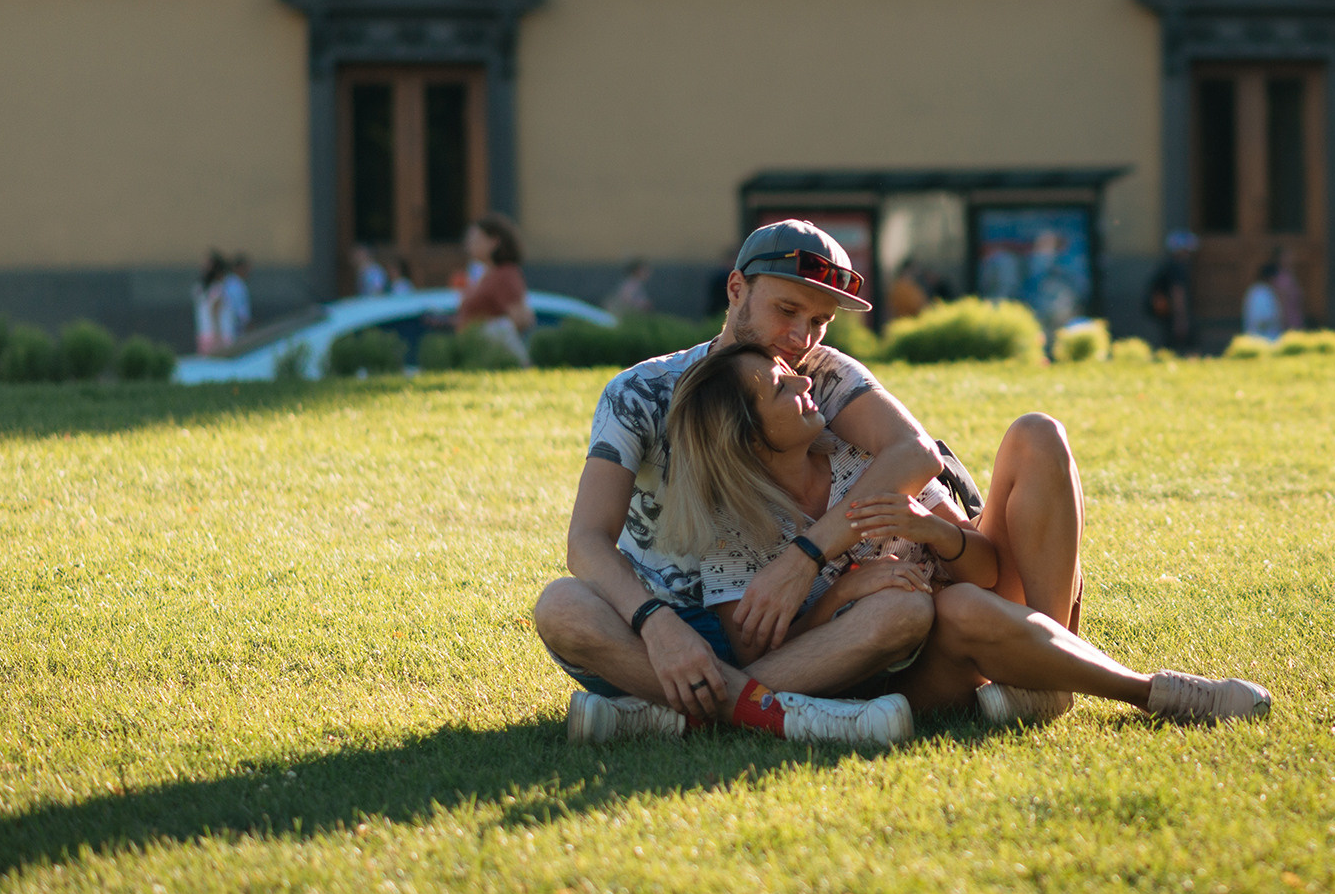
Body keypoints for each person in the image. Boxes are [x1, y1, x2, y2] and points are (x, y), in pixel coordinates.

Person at [530, 219, 1090, 744]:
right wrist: (656, 625)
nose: (801, 337)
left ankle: (674, 715)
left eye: (820, 321)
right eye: (787, 309)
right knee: (562, 605)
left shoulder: (821, 375)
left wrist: (804, 559)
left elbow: (916, 453)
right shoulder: (640, 391)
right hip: (659, 630)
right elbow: (588, 541)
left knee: (909, 603)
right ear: (735, 289)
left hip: (792, 629)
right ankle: (766, 709)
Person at [667, 342, 1271, 727]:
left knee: (1038, 434)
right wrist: (844, 597)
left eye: (791, 374)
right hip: (897, 680)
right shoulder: (732, 534)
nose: (804, 383)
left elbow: (981, 568)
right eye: (781, 387)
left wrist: (937, 531)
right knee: (944, 608)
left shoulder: (859, 461)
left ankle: (1048, 673)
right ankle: (1151, 692)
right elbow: (760, 669)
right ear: (747, 437)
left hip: (975, 615)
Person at [456, 212, 535, 364]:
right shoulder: (485, 274)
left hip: (492, 358)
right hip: (475, 354)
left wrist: (490, 333)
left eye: (476, 239)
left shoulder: (504, 274)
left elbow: (520, 319)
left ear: (494, 242)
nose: (469, 244)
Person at [1146, 231, 1197, 354]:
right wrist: (1180, 319)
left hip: (1165, 313)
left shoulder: (1167, 265)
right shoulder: (1177, 267)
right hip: (1170, 313)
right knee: (1180, 347)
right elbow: (1177, 293)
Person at [192, 251, 228, 355]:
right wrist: (218, 336)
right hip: (216, 335)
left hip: (204, 334)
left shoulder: (199, 289)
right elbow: (215, 313)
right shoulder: (217, 289)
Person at [1242, 262, 1284, 341]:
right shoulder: (1260, 293)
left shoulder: (1264, 291)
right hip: (1261, 340)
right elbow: (1260, 321)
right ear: (1271, 277)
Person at [1271, 245, 1306, 332]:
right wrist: (1284, 325)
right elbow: (1281, 304)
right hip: (1288, 323)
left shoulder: (1291, 275)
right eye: (1287, 255)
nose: (1292, 258)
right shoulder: (1281, 279)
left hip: (1296, 320)